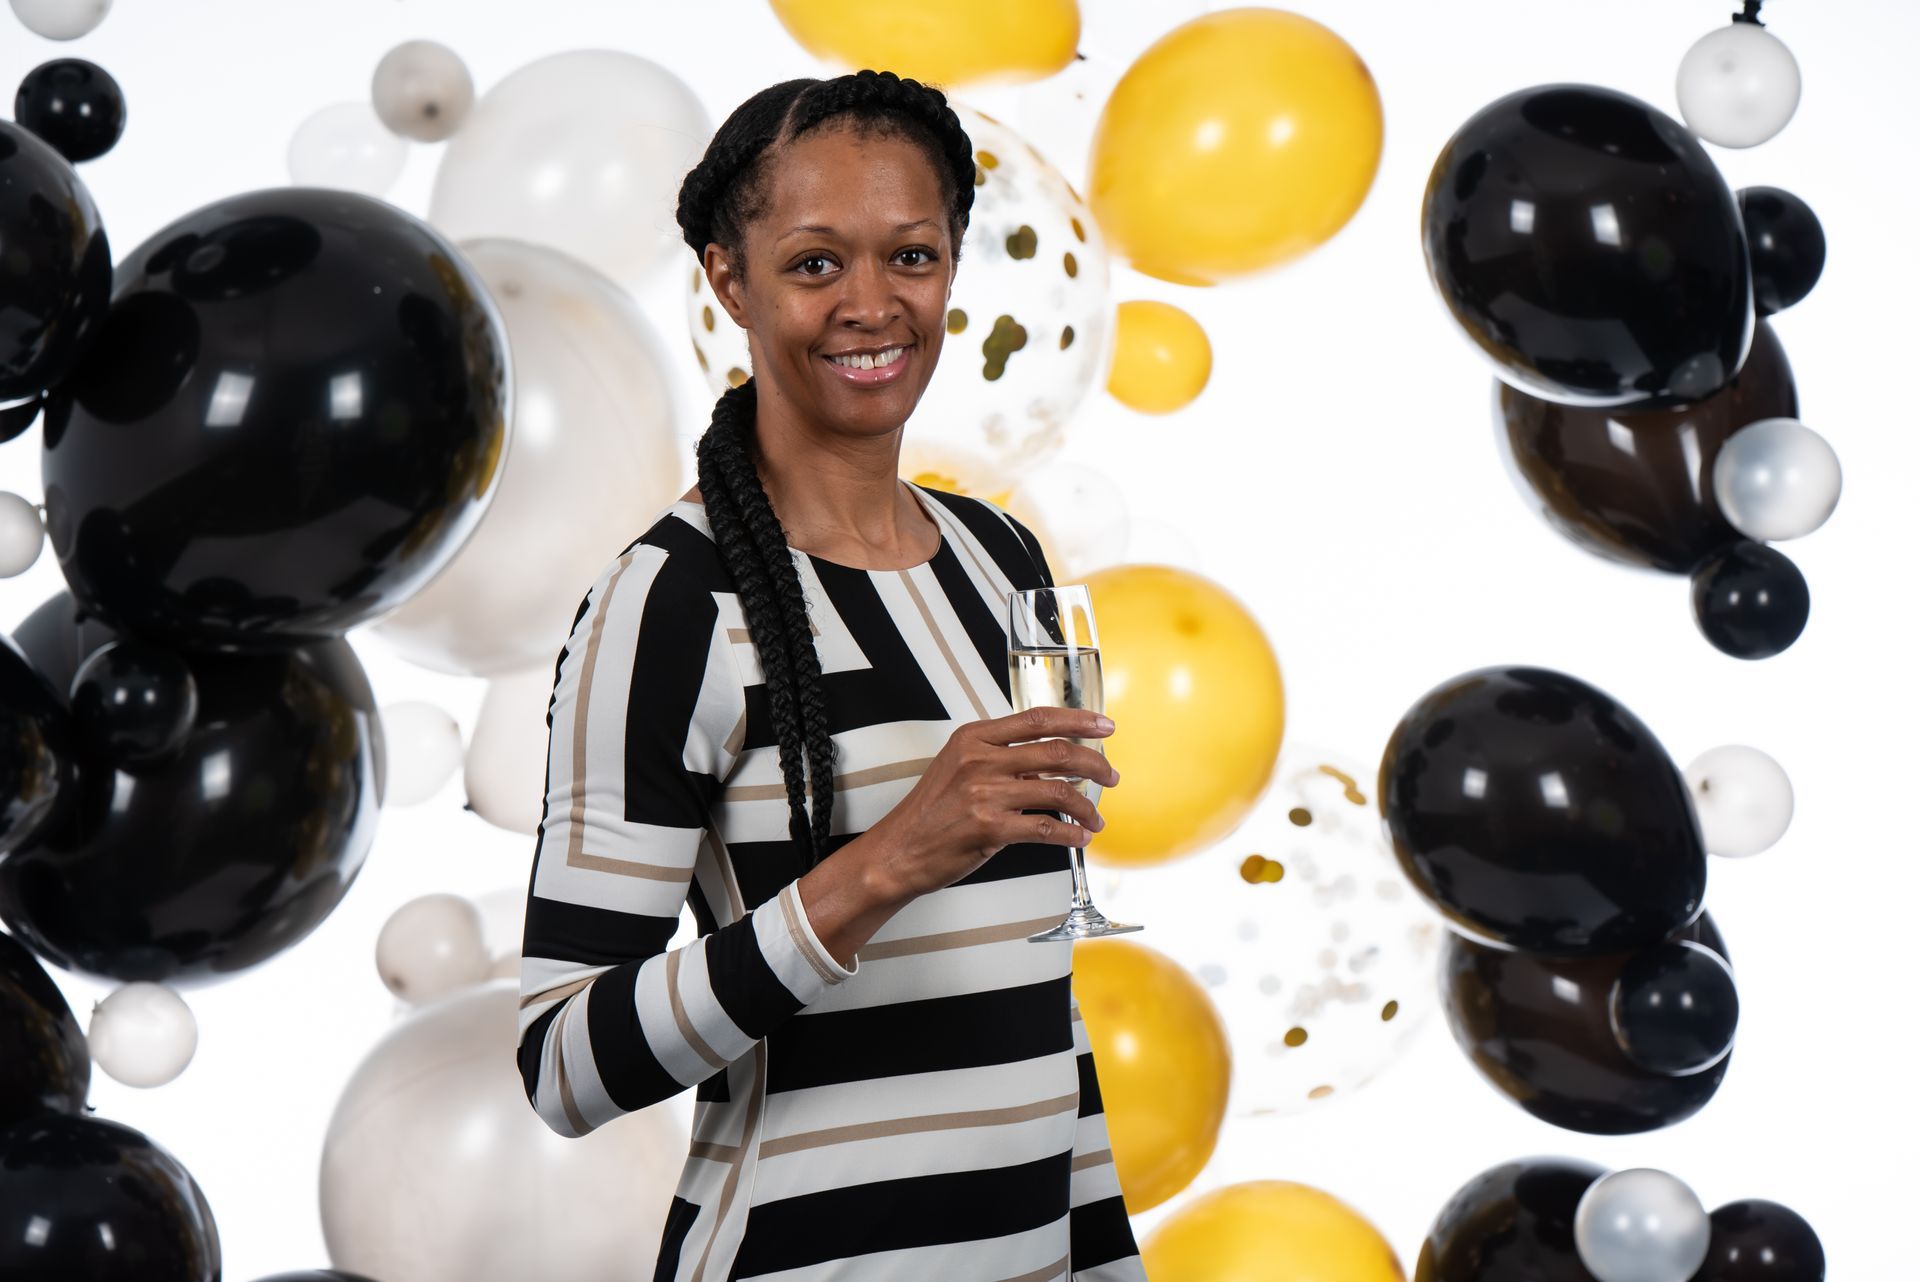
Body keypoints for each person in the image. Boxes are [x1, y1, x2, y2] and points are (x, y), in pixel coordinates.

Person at [516, 68, 1147, 1282]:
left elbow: (1035, 1008)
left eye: (910, 257)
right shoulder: (670, 604)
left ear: (953, 269)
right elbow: (564, 1066)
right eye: (815, 264)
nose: (872, 304)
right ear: (727, 279)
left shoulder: (999, 558)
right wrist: (886, 863)